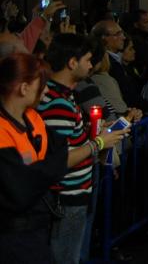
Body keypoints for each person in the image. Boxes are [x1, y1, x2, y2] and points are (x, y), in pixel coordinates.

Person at [37, 34, 129, 264]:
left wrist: (89, 129)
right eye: (88, 60)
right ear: (72, 62)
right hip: (66, 198)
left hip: (71, 196)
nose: (91, 65)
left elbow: (66, 139)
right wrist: (99, 143)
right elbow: (61, 158)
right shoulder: (58, 103)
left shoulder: (61, 96)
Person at [0, 53, 68, 263]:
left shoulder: (32, 118)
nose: (46, 90)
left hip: (36, 229)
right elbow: (19, 191)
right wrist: (48, 169)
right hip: (11, 238)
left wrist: (37, 173)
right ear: (24, 88)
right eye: (42, 84)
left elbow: (60, 148)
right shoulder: (2, 131)